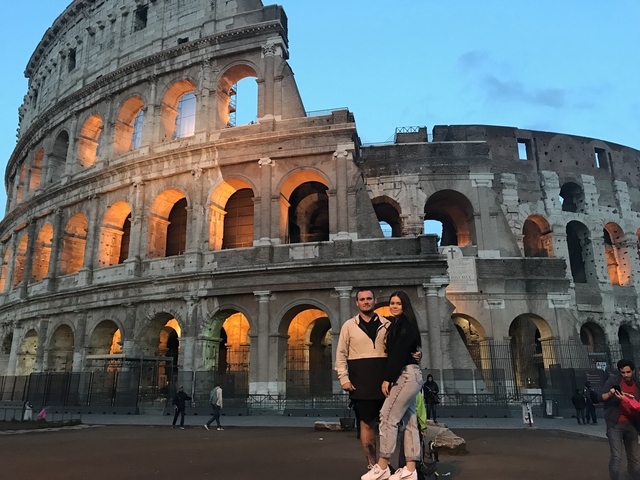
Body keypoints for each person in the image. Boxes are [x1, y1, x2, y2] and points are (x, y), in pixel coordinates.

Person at [362, 290, 423, 480]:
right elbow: (408, 351)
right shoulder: (400, 325)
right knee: (410, 421)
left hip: (404, 375)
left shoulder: (404, 326)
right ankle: (410, 470)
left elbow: (397, 355)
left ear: (405, 306)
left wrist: (387, 378)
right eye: (392, 303)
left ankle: (382, 467)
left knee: (387, 417)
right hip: (410, 373)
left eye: (398, 303)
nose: (394, 306)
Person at [336, 288, 391, 468]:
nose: (366, 301)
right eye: (362, 299)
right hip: (361, 383)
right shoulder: (348, 326)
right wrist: (343, 378)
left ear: (375, 301)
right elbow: (341, 354)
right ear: (357, 303)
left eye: (369, 298)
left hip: (385, 383)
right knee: (366, 425)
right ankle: (372, 464)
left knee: (388, 427)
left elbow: (397, 351)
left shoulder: (387, 324)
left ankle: (384, 463)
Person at [599, 359, 640, 480]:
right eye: (623, 372)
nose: (626, 375)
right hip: (615, 423)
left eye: (628, 372)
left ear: (633, 371)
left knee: (634, 457)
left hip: (632, 423)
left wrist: (625, 399)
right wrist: (610, 394)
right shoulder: (614, 381)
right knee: (616, 456)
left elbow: (637, 406)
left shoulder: (637, 384)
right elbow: (601, 396)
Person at [398, 391, 427, 469]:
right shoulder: (417, 393)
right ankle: (414, 469)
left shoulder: (402, 393)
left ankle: (402, 468)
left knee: (403, 447)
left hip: (404, 422)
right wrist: (423, 427)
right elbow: (421, 411)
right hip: (415, 423)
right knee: (415, 447)